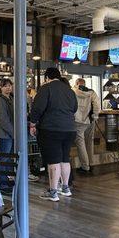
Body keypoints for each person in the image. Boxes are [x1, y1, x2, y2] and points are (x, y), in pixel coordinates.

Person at [29, 67, 77, 202]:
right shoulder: (69, 90)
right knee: (64, 159)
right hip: (70, 129)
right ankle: (65, 188)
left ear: (47, 77)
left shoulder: (46, 88)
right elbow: (74, 108)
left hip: (51, 129)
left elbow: (37, 108)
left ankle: (53, 192)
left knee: (53, 161)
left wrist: (32, 123)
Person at [0, 78, 14, 194]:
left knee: (8, 157)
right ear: (1, 87)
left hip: (10, 132)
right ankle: (3, 184)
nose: (8, 87)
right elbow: (2, 119)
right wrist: (13, 133)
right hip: (4, 133)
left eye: (10, 85)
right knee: (3, 157)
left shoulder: (11, 98)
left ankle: (7, 181)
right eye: (5, 86)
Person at [73, 78, 101, 176]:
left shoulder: (73, 91)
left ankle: (85, 166)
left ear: (76, 83)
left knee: (80, 143)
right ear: (84, 84)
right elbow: (97, 105)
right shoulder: (91, 92)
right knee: (89, 142)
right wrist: (95, 116)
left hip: (77, 120)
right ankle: (91, 163)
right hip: (89, 120)